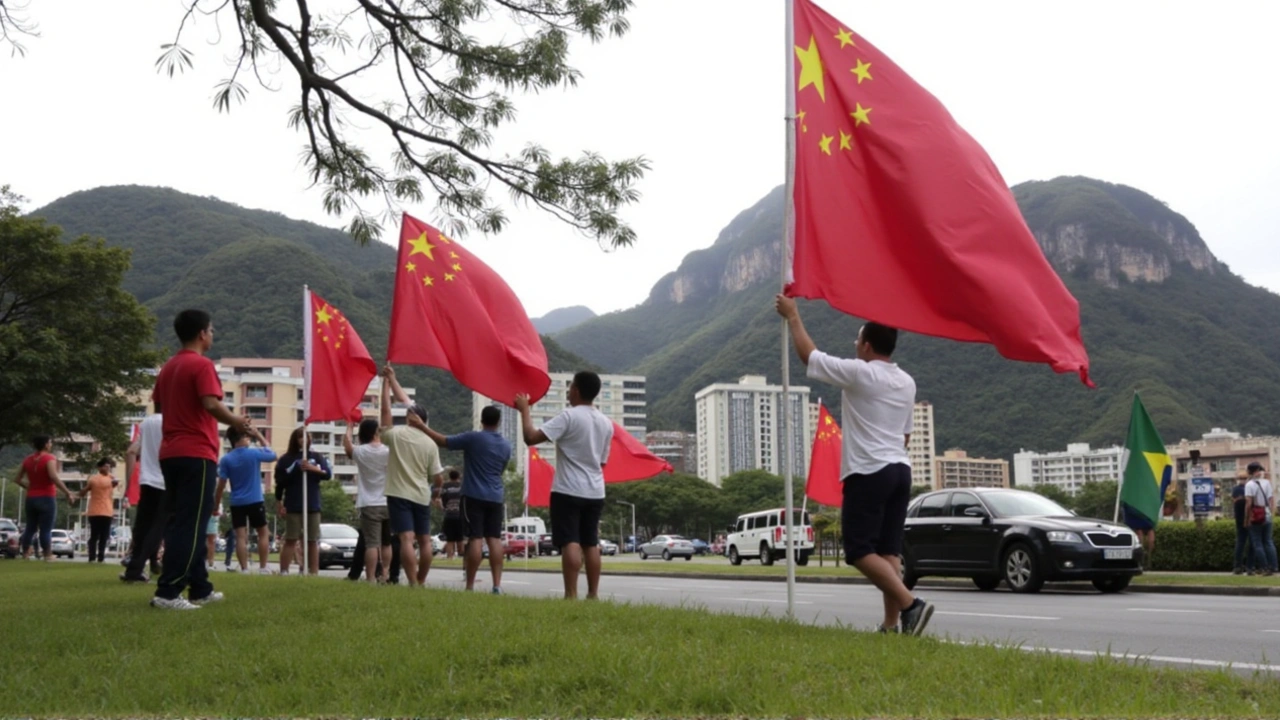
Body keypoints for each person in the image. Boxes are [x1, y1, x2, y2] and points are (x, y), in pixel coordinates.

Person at [776, 295, 934, 636]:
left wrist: (793, 316)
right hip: (900, 469)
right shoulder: (907, 382)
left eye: (857, 339)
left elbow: (810, 357)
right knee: (888, 549)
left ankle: (910, 605)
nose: (854, 344)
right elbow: (905, 436)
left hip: (869, 471)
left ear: (867, 345)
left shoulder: (860, 374)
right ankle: (892, 625)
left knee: (858, 550)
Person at [150, 309, 252, 610]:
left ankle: (200, 588)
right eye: (212, 330)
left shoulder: (168, 368)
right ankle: (168, 592)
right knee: (191, 525)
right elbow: (211, 404)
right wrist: (237, 422)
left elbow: (159, 406)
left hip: (170, 453)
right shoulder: (202, 365)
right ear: (202, 334)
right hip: (196, 452)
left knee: (184, 521)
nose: (213, 334)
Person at [517, 372, 612, 600]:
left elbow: (531, 437)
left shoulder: (569, 416)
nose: (569, 392)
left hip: (568, 489)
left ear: (576, 390)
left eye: (570, 387)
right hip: (595, 491)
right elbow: (602, 461)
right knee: (590, 542)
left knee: (570, 540)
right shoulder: (606, 423)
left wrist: (525, 410)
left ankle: (571, 594)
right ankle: (593, 594)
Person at [415, 405, 512, 593]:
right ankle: (497, 585)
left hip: (473, 495)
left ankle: (469, 585)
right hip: (495, 496)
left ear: (481, 420)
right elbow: (501, 469)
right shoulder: (507, 445)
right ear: (499, 422)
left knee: (475, 538)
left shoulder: (473, 438)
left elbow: (443, 441)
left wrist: (421, 426)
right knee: (494, 539)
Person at [379, 365, 444, 588]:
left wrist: (385, 387)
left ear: (409, 418)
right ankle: (422, 579)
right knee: (425, 540)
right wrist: (436, 494)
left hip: (398, 494)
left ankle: (412, 582)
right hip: (421, 495)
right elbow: (438, 477)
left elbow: (385, 416)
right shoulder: (430, 443)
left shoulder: (396, 435)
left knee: (406, 538)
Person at [214, 426, 277, 574]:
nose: (249, 439)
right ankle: (263, 567)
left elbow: (221, 485)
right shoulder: (254, 453)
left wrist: (216, 505)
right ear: (241, 438)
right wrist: (259, 436)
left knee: (240, 536)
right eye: (247, 437)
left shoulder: (226, 459)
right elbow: (273, 455)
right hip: (255, 499)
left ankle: (244, 568)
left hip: (237, 501)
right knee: (263, 532)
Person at [274, 427, 332, 576]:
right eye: (300, 437)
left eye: (306, 437)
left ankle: (313, 572)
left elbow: (327, 474)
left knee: (312, 540)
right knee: (291, 539)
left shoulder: (317, 457)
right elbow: (280, 482)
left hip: (312, 504)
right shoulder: (286, 459)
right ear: (295, 439)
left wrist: (313, 469)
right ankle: (284, 571)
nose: (303, 440)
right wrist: (279, 503)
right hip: (293, 504)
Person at [344, 418, 394, 583]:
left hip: (369, 503)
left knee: (372, 544)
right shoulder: (388, 451)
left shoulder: (361, 452)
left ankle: (371, 577)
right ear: (376, 432)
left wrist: (349, 428)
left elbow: (347, 446)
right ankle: (385, 574)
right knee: (387, 542)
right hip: (388, 501)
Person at [13, 435, 76, 561]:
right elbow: (53, 476)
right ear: (46, 445)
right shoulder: (49, 458)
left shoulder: (27, 460)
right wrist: (67, 492)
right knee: (46, 528)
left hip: (31, 498)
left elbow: (17, 479)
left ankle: (25, 553)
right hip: (47, 497)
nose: (51, 445)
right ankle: (47, 554)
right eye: (50, 443)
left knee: (30, 527)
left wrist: (30, 487)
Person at [121, 411, 166, 582]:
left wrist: (130, 481)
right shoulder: (173, 421)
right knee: (158, 527)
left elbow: (131, 451)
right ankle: (136, 568)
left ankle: (149, 563)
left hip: (146, 480)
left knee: (143, 526)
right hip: (165, 480)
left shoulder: (146, 423)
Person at [79, 458, 119, 563]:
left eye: (109, 467)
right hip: (95, 511)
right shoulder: (94, 479)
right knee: (95, 535)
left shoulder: (111, 478)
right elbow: (85, 491)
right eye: (105, 466)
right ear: (99, 467)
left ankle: (100, 557)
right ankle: (92, 557)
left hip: (107, 511)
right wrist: (82, 492)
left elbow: (114, 485)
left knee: (104, 536)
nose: (108, 468)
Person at [1243, 462, 1278, 577]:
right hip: (1266, 513)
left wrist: (1247, 519)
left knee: (1257, 543)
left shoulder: (1249, 485)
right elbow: (1271, 499)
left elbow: (1249, 503)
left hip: (1256, 515)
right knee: (1268, 541)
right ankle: (1274, 566)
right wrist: (1271, 513)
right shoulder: (1267, 482)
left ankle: (1264, 567)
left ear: (1250, 471)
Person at [1231, 474, 1254, 575]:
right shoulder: (1249, 489)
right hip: (1250, 519)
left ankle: (1237, 566)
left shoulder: (1235, 490)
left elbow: (1235, 501)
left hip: (1239, 519)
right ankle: (1250, 567)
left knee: (1240, 542)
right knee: (1252, 543)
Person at [440, 470, 465, 561]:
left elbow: (442, 499)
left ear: (450, 476)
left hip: (449, 515)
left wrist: (444, 508)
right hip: (460, 515)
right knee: (460, 538)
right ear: (458, 476)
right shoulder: (462, 486)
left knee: (450, 539)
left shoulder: (445, 486)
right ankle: (461, 555)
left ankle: (450, 556)